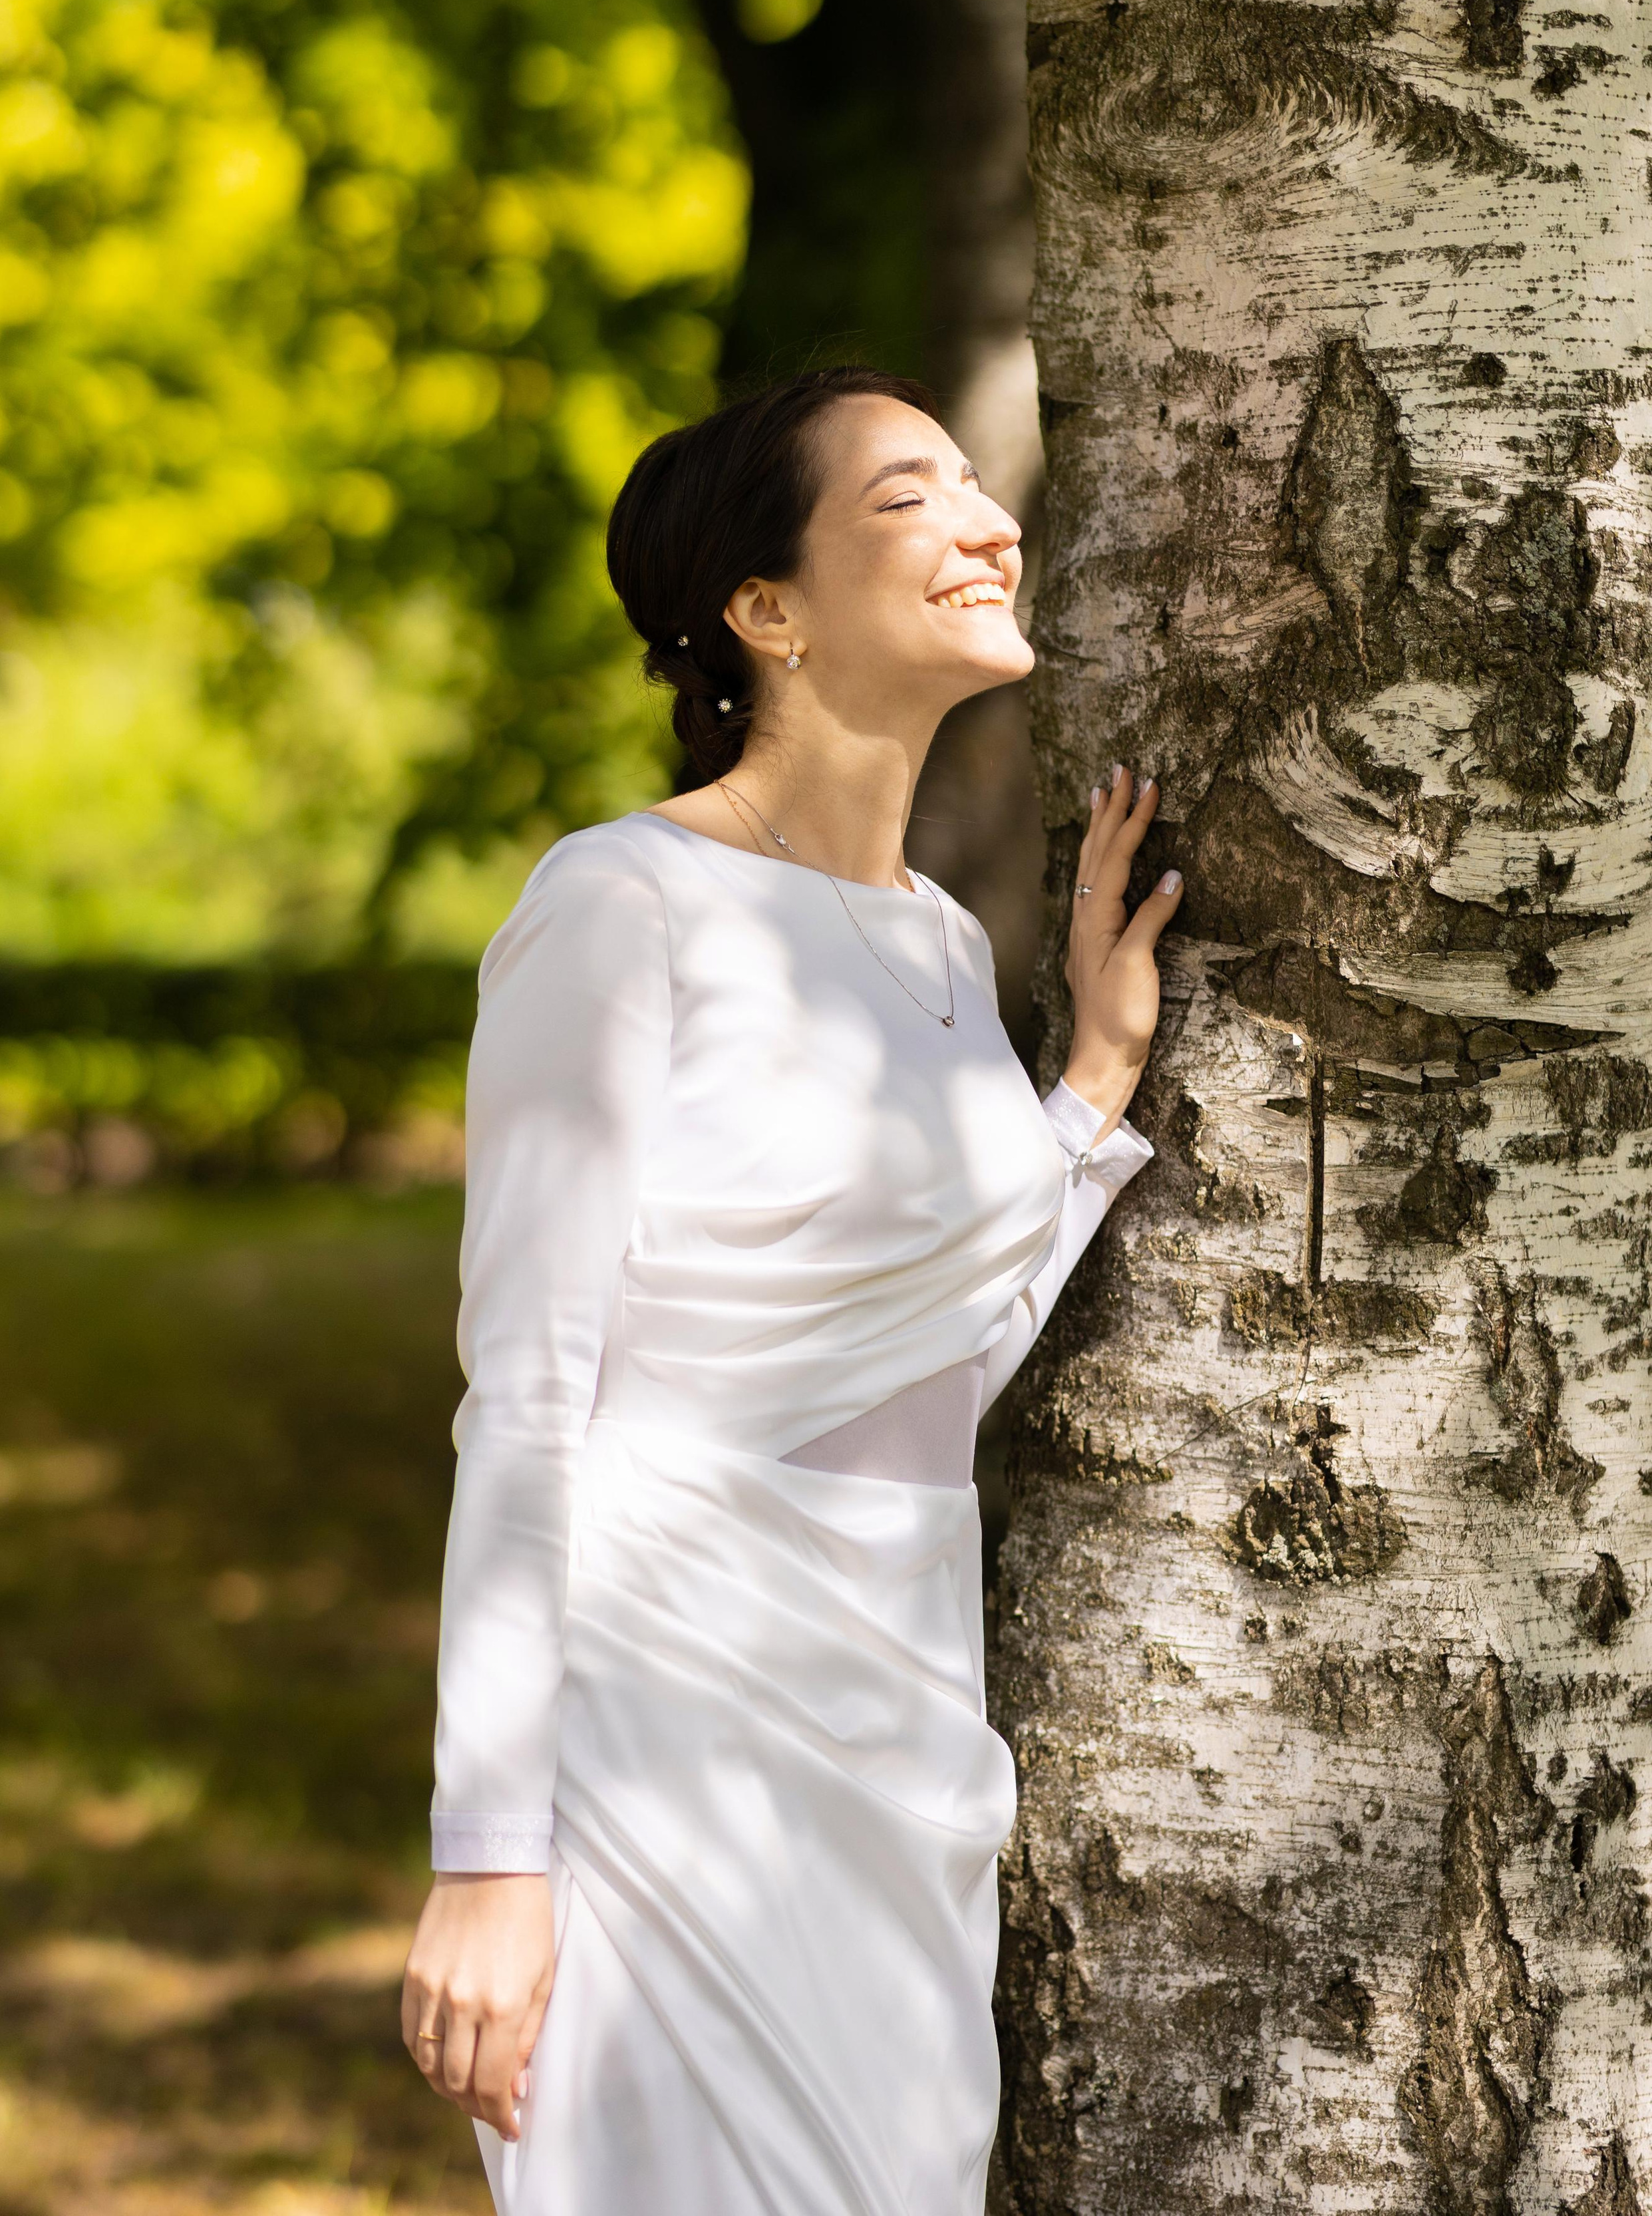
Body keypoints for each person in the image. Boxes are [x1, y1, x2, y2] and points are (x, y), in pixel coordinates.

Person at [400, 366, 1180, 2215]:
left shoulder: (934, 942)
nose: (995, 522)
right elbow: (523, 1397)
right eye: (915, 496)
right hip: (668, 1726)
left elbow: (932, 1365)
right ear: (768, 611)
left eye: (978, 487)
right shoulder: (618, 906)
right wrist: (493, 1856)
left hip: (900, 1712)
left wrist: (1089, 1086)